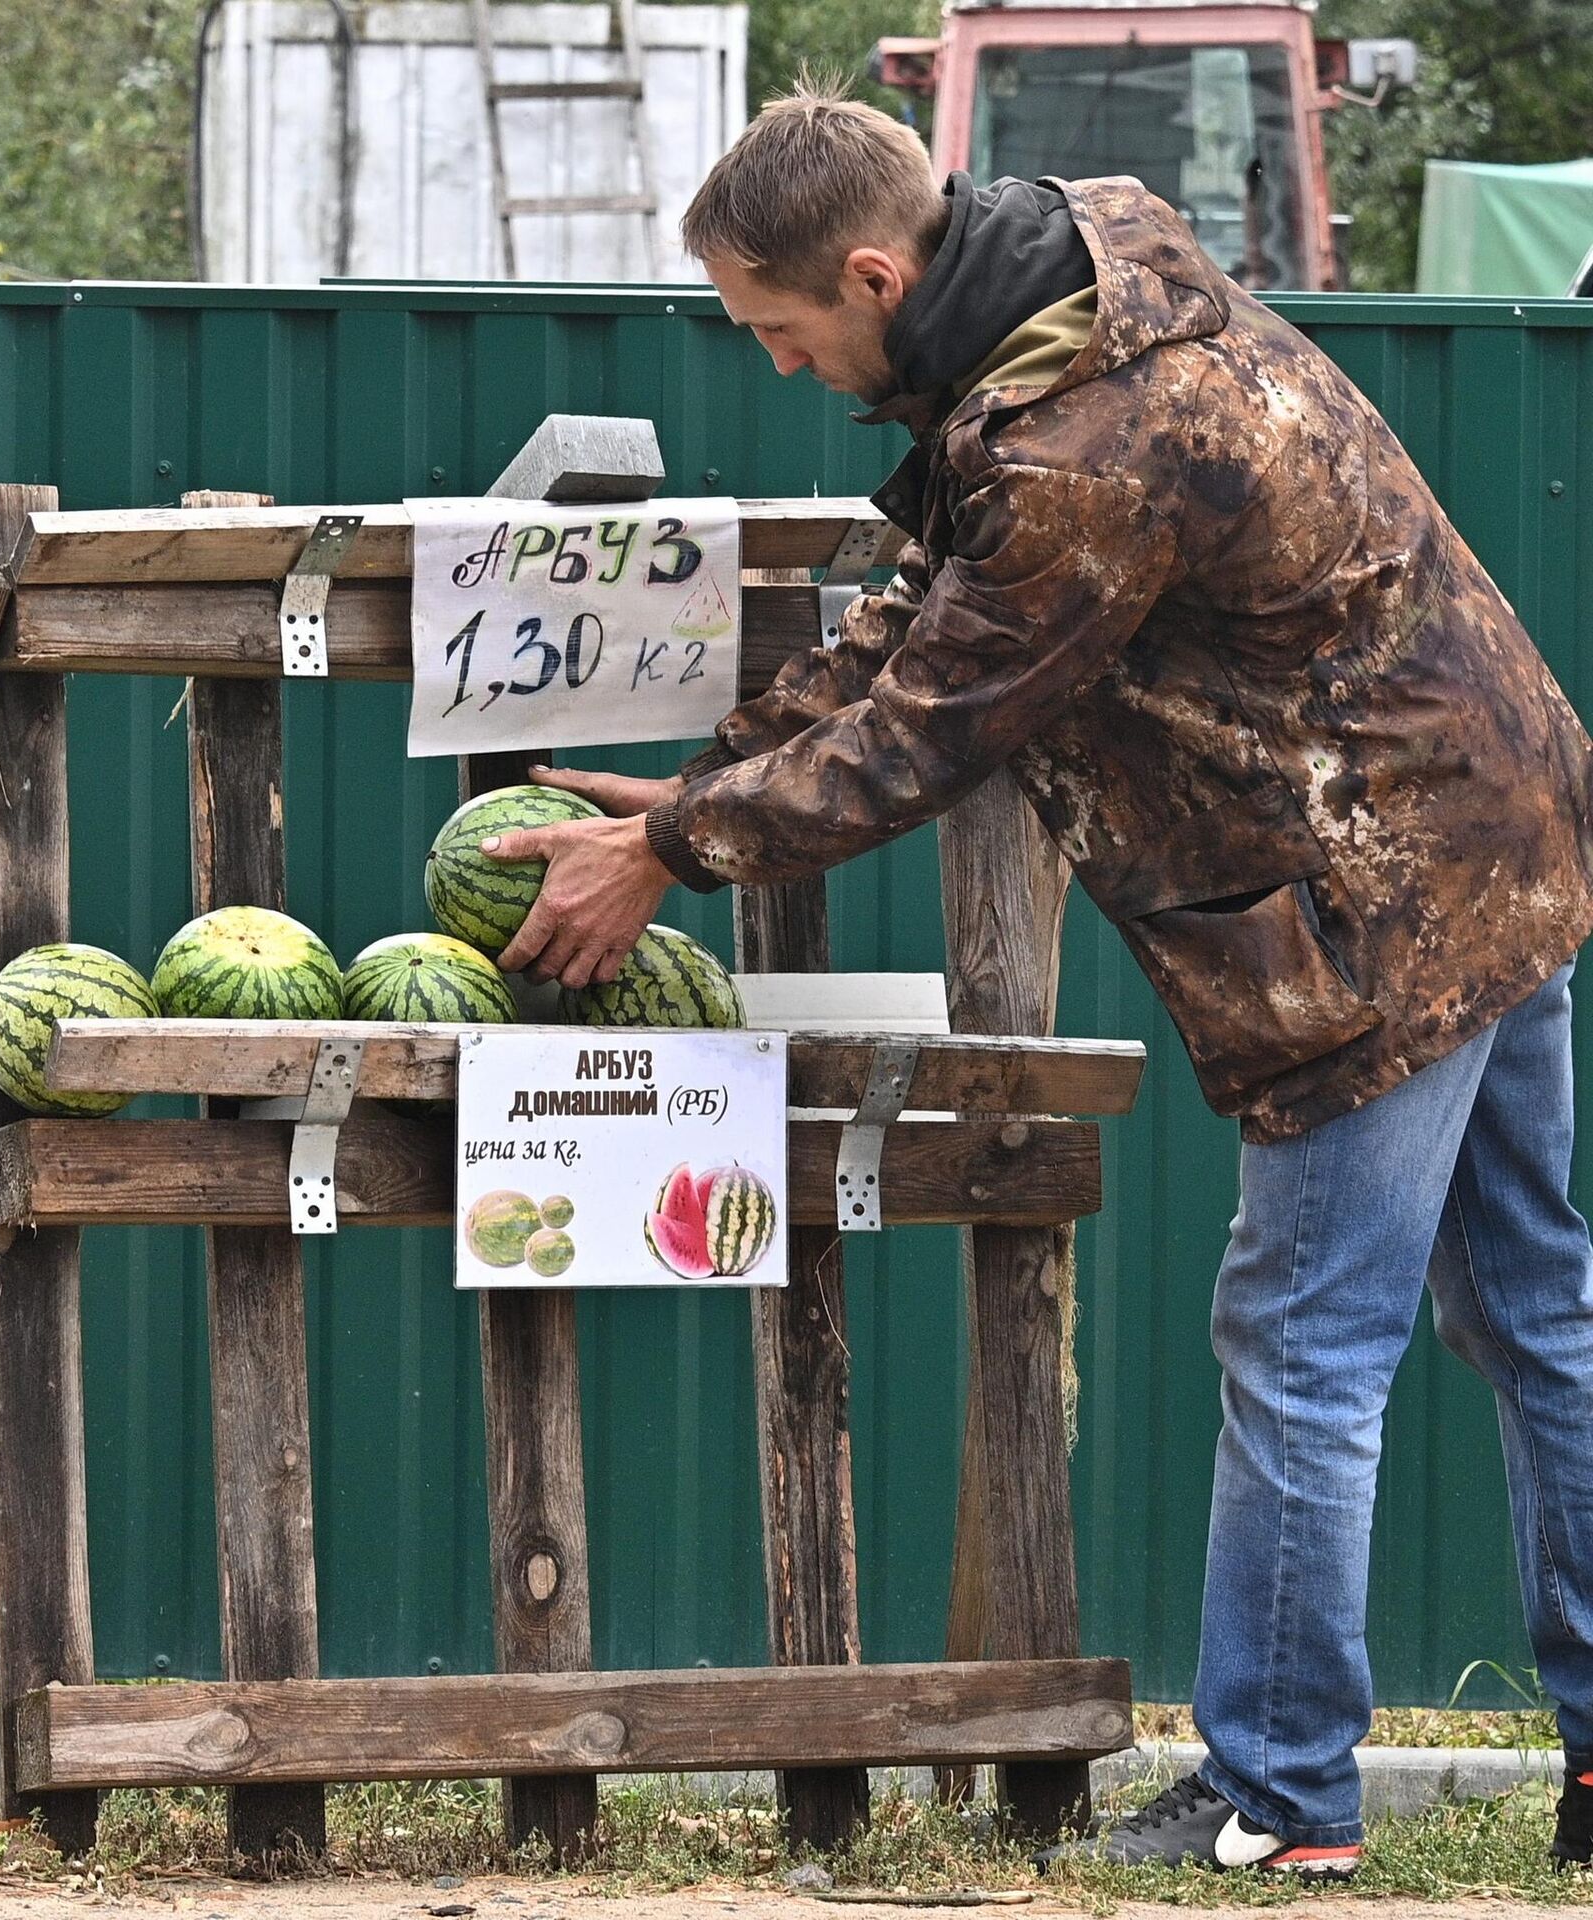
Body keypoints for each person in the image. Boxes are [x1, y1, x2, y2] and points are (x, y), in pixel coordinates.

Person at [478, 80, 1593, 1878]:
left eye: (778, 332)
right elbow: (921, 604)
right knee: (1537, 1313)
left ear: (867, 271)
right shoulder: (1073, 274)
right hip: (1498, 820)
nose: (772, 368)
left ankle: (1281, 1794)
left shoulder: (1083, 440)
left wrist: (673, 853)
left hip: (1377, 887)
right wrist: (701, 787)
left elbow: (932, 725)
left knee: (1303, 1342)